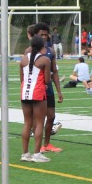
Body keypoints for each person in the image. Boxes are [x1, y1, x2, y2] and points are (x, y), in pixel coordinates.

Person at [31, 23, 64, 152]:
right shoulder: (30, 51)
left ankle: (47, 144)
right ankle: (38, 146)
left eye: (46, 34)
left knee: (51, 116)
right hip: (37, 88)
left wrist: (59, 91)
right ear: (35, 35)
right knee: (38, 118)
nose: (44, 37)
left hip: (48, 87)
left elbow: (54, 71)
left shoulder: (51, 51)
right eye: (41, 35)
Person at [19, 35, 51, 163]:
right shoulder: (45, 60)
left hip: (24, 93)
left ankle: (25, 153)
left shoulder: (23, 60)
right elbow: (47, 80)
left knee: (27, 123)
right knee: (39, 123)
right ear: (42, 47)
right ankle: (37, 154)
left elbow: (22, 79)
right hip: (38, 93)